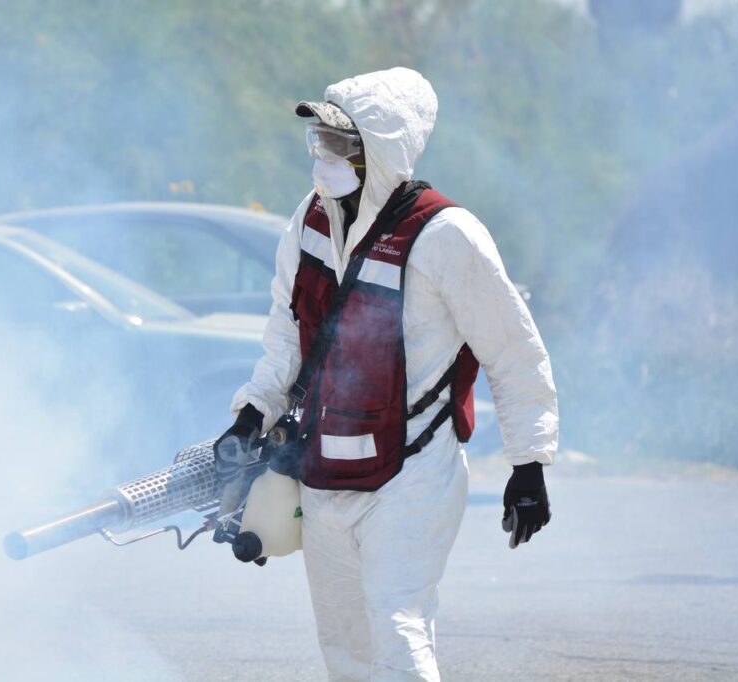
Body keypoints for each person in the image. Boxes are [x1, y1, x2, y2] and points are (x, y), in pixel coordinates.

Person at [214, 67, 558, 681]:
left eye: (343, 145)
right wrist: (251, 414)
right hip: (323, 472)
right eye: (321, 141)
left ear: (383, 150)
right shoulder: (310, 221)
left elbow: (514, 350)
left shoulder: (446, 235)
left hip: (413, 475)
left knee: (397, 628)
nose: (326, 157)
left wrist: (528, 462)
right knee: (345, 648)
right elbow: (286, 333)